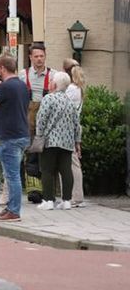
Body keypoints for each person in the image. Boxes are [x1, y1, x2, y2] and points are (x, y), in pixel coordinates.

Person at [0, 53, 30, 222]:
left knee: (12, 176)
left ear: (3, 68)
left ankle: (14, 210)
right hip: (22, 133)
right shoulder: (22, 85)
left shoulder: (4, 87)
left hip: (9, 136)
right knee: (11, 174)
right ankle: (10, 207)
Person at [36, 71, 82, 211]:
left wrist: (39, 136)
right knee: (66, 170)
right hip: (67, 142)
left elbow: (41, 119)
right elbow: (76, 124)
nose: (49, 83)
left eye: (50, 81)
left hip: (50, 141)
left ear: (54, 84)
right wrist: (77, 141)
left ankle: (48, 200)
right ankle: (67, 200)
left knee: (47, 170)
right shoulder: (70, 102)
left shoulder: (48, 99)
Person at [23, 43, 57, 203]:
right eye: (36, 56)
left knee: (47, 156)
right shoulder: (23, 75)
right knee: (31, 155)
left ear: (45, 56)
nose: (39, 59)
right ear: (30, 57)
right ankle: (34, 191)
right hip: (29, 121)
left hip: (49, 123)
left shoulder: (54, 76)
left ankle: (48, 189)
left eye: (41, 56)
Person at [61, 60, 86, 207]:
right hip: (75, 127)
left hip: (67, 128)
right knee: (73, 161)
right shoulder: (79, 88)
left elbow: (63, 105)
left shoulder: (70, 89)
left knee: (72, 162)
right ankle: (75, 195)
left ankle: (76, 196)